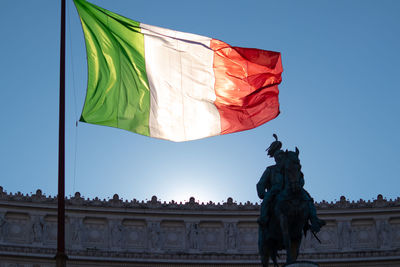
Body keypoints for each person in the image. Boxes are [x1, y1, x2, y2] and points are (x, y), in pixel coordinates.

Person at [256, 134, 285, 227]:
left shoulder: (290, 170)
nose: (280, 158)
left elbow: (299, 178)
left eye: (282, 155)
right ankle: (263, 219)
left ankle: (314, 220)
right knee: (266, 203)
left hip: (291, 192)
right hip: (274, 193)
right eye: (278, 156)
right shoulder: (270, 170)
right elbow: (260, 184)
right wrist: (264, 194)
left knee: (307, 200)